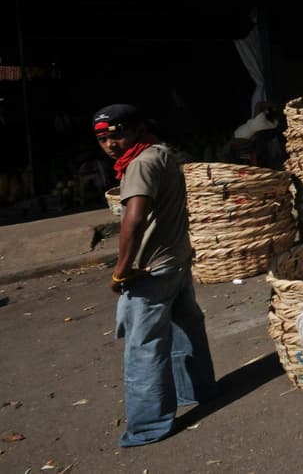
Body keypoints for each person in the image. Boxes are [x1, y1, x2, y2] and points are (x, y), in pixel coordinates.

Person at [95, 103, 217, 447]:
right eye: (102, 138)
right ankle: (199, 390)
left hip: (150, 270)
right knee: (185, 328)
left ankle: (147, 427)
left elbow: (133, 219)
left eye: (116, 134)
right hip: (175, 260)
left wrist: (121, 271)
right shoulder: (162, 153)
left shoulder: (141, 164)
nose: (109, 144)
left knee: (144, 347)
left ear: (135, 129)